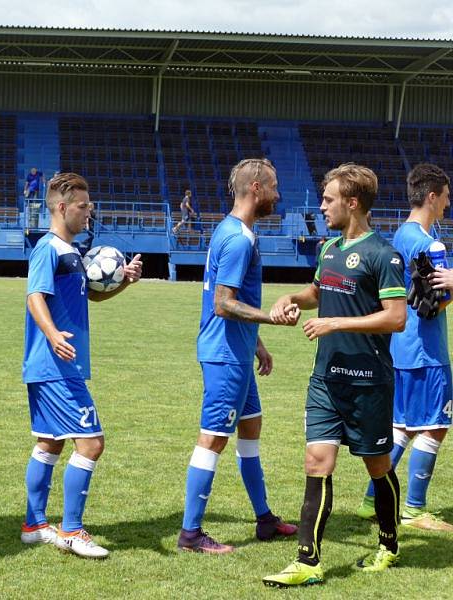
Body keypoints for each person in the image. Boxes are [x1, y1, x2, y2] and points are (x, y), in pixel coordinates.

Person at [263, 163, 406, 587]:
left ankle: (389, 543)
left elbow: (396, 317)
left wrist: (335, 324)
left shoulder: (384, 254)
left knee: (377, 466)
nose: (322, 205)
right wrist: (290, 297)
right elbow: (316, 293)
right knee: (317, 461)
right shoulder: (328, 249)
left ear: (352, 202)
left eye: (328, 199)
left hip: (369, 383)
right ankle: (308, 563)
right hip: (327, 379)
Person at [177, 158, 298, 554]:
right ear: (257, 188)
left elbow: (235, 300)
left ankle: (264, 519)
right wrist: (272, 318)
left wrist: (258, 341)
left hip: (239, 352)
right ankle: (190, 534)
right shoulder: (240, 238)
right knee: (213, 438)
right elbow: (223, 304)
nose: (279, 195)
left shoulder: (233, 231)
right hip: (225, 355)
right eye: (275, 186)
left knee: (251, 429)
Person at [21, 172, 143, 559]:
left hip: (55, 364)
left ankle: (34, 524)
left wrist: (124, 282)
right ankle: (72, 530)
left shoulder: (70, 251)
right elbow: (34, 297)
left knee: (50, 442)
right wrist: (54, 335)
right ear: (61, 207)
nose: (88, 212)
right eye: (82, 206)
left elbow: (89, 298)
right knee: (91, 443)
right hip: (56, 364)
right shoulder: (48, 249)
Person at [355, 164, 453, 531]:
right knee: (435, 426)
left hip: (398, 348)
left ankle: (371, 499)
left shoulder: (399, 236)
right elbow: (432, 305)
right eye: (445, 197)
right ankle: (413, 508)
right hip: (427, 352)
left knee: (402, 427)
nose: (446, 204)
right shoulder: (431, 245)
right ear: (432, 196)